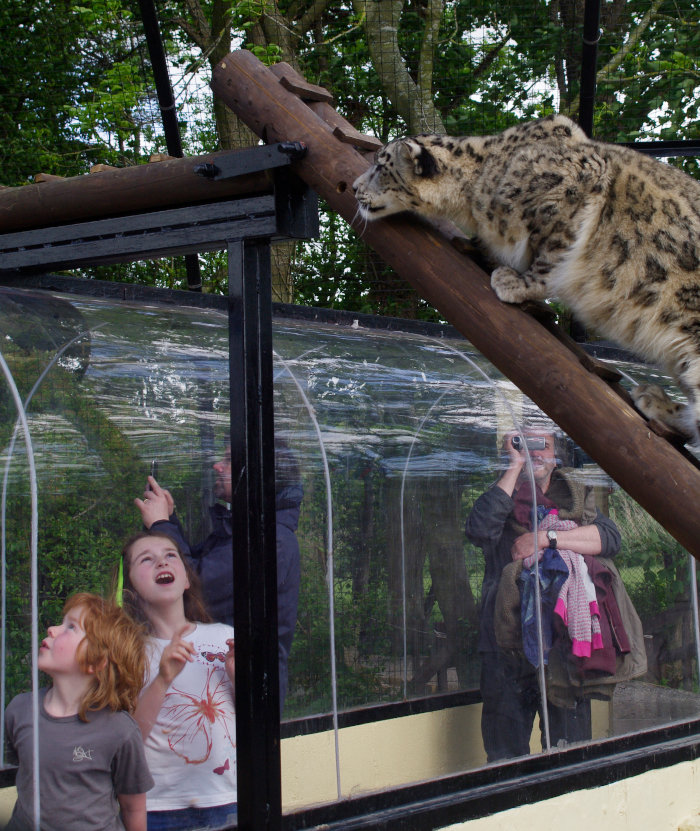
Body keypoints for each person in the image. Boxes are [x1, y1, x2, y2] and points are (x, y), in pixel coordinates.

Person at [465, 428, 621, 762]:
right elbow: (479, 529)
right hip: (506, 648)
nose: (535, 452)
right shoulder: (503, 496)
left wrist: (545, 539)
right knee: (505, 755)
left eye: (542, 445)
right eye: (525, 443)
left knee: (569, 752)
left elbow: (608, 538)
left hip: (564, 646)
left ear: (556, 455)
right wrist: (513, 466)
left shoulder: (575, 497)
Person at [133, 438, 302, 709]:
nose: (216, 466)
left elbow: (195, 586)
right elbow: (196, 565)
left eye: (227, 460)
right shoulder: (246, 531)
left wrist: (161, 524)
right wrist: (170, 520)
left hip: (241, 698)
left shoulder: (271, 541)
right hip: (212, 680)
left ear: (254, 474)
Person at [4, 593, 153, 831]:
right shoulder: (18, 710)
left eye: (70, 626)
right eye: (61, 622)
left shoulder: (120, 730)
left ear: (96, 661)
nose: (52, 629)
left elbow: (133, 808)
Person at [119, 530, 237, 831]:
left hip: (229, 799)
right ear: (130, 587)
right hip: (159, 808)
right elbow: (125, 740)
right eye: (147, 559)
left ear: (186, 579)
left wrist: (238, 678)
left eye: (171, 555)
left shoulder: (224, 637)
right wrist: (162, 679)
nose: (162, 562)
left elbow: (255, 723)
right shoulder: (130, 652)